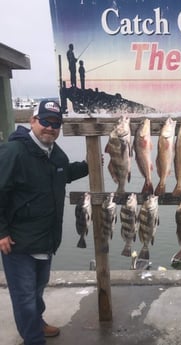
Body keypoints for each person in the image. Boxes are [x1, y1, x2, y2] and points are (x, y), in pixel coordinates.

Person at [0, 100, 88, 344]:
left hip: (46, 239)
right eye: (45, 121)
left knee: (38, 289)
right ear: (32, 121)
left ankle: (36, 323)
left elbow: (63, 175)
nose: (50, 127)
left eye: (56, 123)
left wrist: (91, 165)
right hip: (18, 242)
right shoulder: (12, 152)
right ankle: (33, 338)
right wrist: (1, 232)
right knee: (24, 296)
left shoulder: (56, 155)